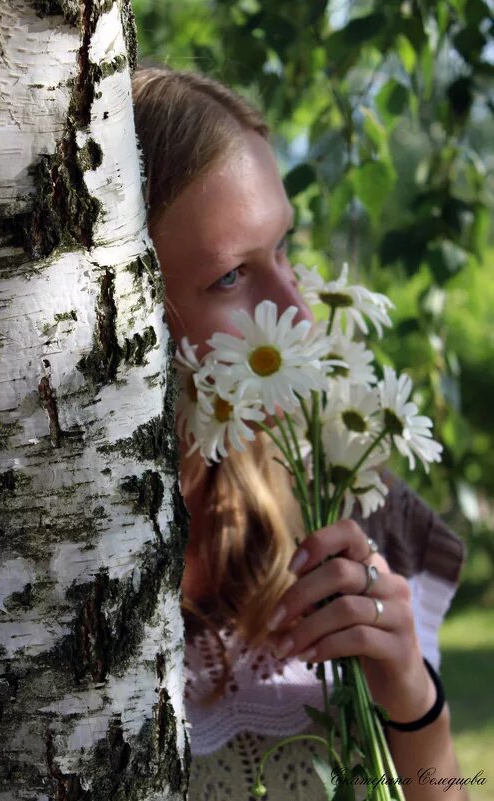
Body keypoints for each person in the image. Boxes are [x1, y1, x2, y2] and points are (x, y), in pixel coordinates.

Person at [131, 66, 466, 800]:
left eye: (283, 247)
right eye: (230, 277)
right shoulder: (27, 577)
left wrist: (412, 698)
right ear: (128, 311)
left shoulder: (350, 503)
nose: (295, 312)